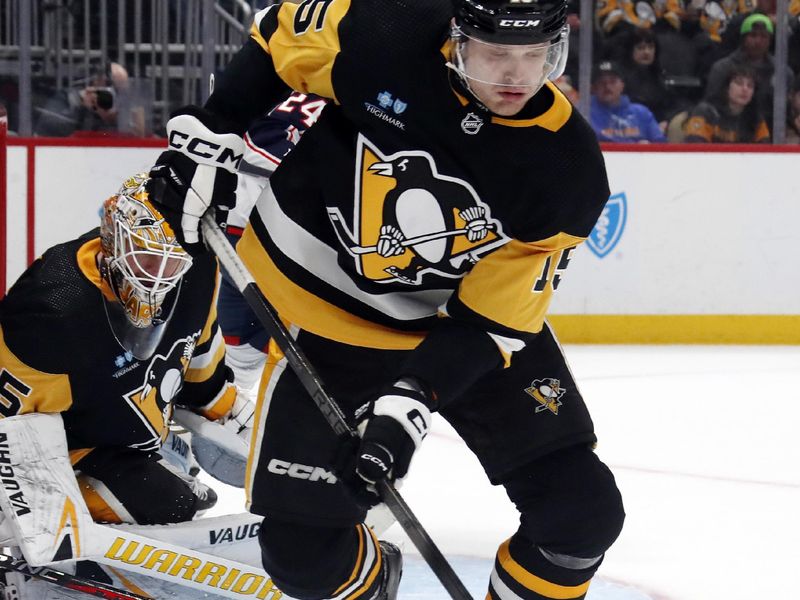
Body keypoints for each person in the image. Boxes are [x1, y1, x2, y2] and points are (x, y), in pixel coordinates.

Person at [150, 0, 626, 598]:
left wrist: (411, 401)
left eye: (535, 56)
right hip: (327, 325)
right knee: (302, 559)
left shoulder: (566, 168)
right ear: (458, 38)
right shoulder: (383, 31)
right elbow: (279, 39)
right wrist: (213, 129)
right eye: (499, 54)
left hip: (455, 334)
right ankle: (376, 581)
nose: (517, 77)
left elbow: (490, 323)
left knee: (582, 516)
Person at [0, 172, 252, 532]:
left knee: (185, 481)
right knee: (169, 502)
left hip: (135, 433)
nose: (159, 279)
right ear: (113, 241)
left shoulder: (197, 269)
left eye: (172, 263)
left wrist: (221, 404)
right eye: (147, 259)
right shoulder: (52, 310)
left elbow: (197, 347)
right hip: (70, 451)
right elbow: (8, 426)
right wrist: (35, 505)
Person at [218, 91, 327, 393]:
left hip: (238, 224)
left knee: (236, 361)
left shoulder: (272, 78)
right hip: (281, 230)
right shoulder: (351, 95)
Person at [704, 13, 795, 121]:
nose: (758, 41)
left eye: (764, 36)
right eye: (753, 35)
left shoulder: (783, 72)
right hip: (730, 128)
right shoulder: (722, 68)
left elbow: (789, 110)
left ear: (770, 40)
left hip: (771, 130)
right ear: (743, 39)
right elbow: (710, 105)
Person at [34, 61, 146, 137]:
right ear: (97, 81)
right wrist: (83, 108)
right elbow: (47, 127)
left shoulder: (126, 105)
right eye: (114, 88)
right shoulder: (70, 99)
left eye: (121, 90)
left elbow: (139, 138)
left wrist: (113, 120)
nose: (116, 95)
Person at [684, 62, 770, 141]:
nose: (745, 89)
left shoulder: (756, 117)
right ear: (726, 88)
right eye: (739, 83)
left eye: (750, 85)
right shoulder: (706, 112)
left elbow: (765, 152)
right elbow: (695, 150)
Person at [590, 60, 667, 141]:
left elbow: (661, 144)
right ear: (593, 88)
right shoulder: (585, 113)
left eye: (612, 81)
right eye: (601, 82)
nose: (607, 86)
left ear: (622, 85)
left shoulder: (641, 113)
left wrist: (648, 147)